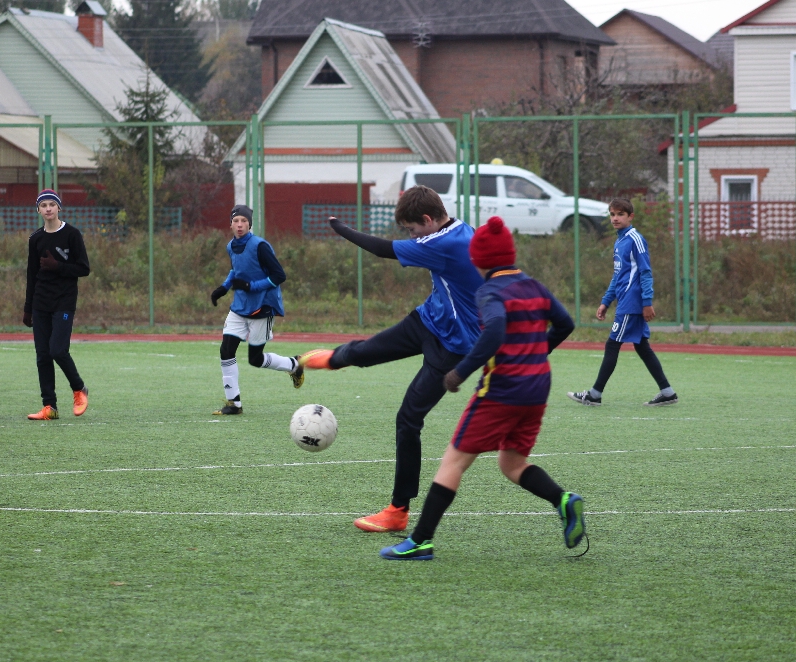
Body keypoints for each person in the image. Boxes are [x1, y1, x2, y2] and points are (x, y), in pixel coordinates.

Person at [380, 216, 583, 560]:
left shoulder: (489, 292)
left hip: (503, 390)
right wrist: (538, 351)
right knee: (512, 463)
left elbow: (495, 330)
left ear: (478, 260)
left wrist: (460, 372)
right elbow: (565, 323)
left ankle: (420, 541)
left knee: (453, 462)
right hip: (537, 389)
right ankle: (563, 500)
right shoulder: (534, 286)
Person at [297, 185, 483, 533]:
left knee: (408, 419)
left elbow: (383, 249)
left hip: (453, 345)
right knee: (367, 351)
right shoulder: (457, 228)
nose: (411, 236)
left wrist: (341, 228)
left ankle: (398, 510)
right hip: (429, 320)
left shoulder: (445, 243)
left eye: (412, 230)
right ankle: (334, 359)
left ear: (428, 219)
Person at [567, 198, 678, 408]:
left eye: (620, 214)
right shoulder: (620, 242)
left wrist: (647, 302)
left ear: (630, 216)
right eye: (612, 214)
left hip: (631, 303)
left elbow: (646, 272)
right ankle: (667, 392)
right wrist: (606, 301)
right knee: (642, 347)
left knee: (612, 344)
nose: (615, 218)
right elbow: (618, 276)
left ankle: (594, 394)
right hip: (625, 302)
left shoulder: (635, 239)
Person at [209, 204, 303, 415]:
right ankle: (234, 404)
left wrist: (251, 286)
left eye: (244, 221)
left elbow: (279, 276)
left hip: (262, 306)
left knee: (255, 359)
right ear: (230, 224)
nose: (239, 225)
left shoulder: (260, 246)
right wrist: (223, 288)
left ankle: (294, 365)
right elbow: (236, 270)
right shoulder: (231, 246)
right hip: (240, 306)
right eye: (236, 221)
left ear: (250, 224)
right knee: (226, 350)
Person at [23, 189, 91, 421]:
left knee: (57, 350)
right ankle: (49, 406)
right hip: (41, 302)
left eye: (52, 204)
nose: (48, 208)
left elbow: (84, 268)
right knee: (43, 355)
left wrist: (58, 266)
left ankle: (79, 388)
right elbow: (31, 274)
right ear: (38, 210)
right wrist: (28, 307)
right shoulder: (35, 238)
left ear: (59, 207)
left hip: (63, 301)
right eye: (44, 205)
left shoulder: (72, 234)